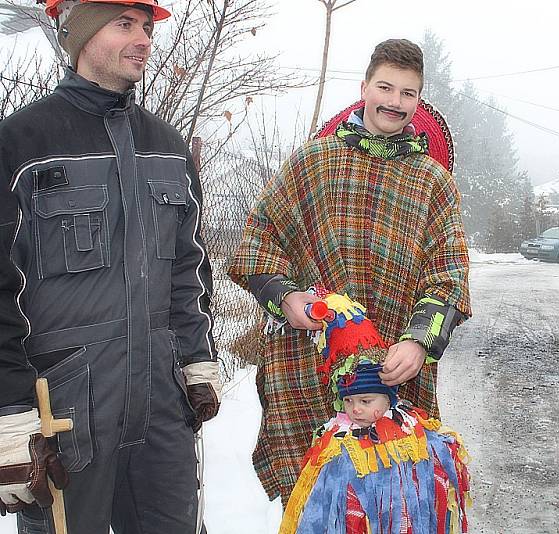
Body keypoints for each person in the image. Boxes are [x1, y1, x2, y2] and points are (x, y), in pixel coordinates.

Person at [0, 0, 221, 532]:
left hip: (162, 407)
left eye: (146, 26)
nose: (143, 38)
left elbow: (188, 269)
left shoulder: (168, 147)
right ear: (81, 35)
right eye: (125, 24)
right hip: (64, 414)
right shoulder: (20, 144)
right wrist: (9, 414)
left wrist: (196, 360)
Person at [227, 38, 471, 505]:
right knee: (321, 498)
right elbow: (261, 234)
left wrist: (420, 340)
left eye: (407, 93)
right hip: (313, 362)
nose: (394, 102)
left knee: (394, 498)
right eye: (385, 87)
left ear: (419, 102)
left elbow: (450, 274)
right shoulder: (314, 162)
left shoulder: (432, 181)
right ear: (364, 88)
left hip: (393, 370)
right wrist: (285, 296)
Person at [278, 291, 470, 534]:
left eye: (366, 400)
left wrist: (423, 338)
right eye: (348, 400)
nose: (356, 409)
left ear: (389, 398)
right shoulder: (335, 441)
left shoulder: (413, 434)